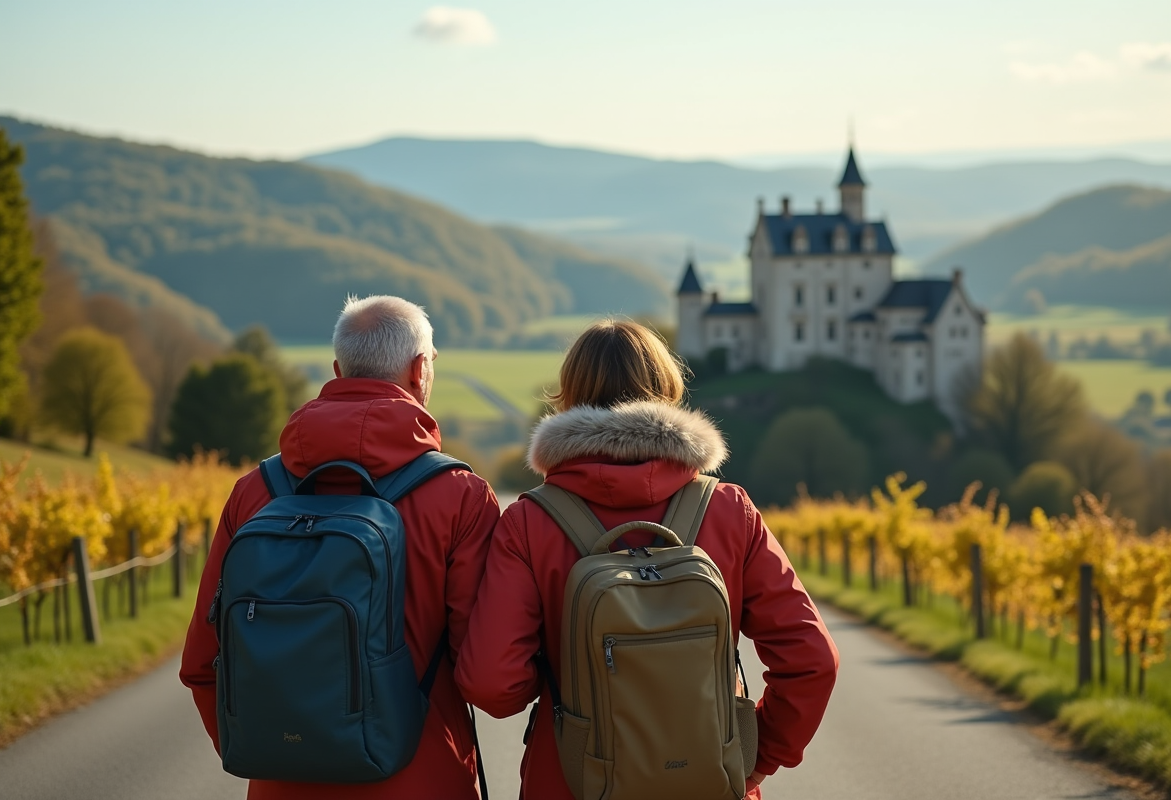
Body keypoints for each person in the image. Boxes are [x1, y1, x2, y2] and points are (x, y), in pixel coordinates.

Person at [456, 319, 839, 800]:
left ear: (569, 397)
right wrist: (758, 757)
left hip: (573, 781)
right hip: (707, 779)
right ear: (668, 390)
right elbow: (812, 659)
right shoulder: (727, 509)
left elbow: (491, 681)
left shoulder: (531, 522)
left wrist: (563, 679)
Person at [180, 295, 500, 800]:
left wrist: (273, 748)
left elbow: (202, 662)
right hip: (421, 779)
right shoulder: (460, 496)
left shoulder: (255, 492)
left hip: (281, 785)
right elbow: (483, 672)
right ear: (420, 370)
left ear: (337, 370)